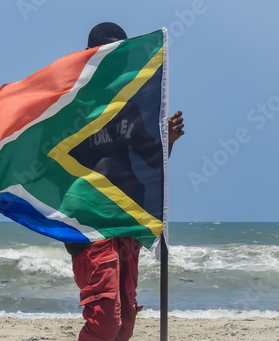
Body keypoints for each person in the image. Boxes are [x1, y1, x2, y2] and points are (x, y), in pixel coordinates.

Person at [65, 22, 185, 341]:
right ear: (91, 55)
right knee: (105, 320)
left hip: (128, 222)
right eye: (107, 53)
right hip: (91, 225)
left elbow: (151, 162)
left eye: (121, 54)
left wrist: (168, 140)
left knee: (126, 322)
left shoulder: (130, 106)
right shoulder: (72, 103)